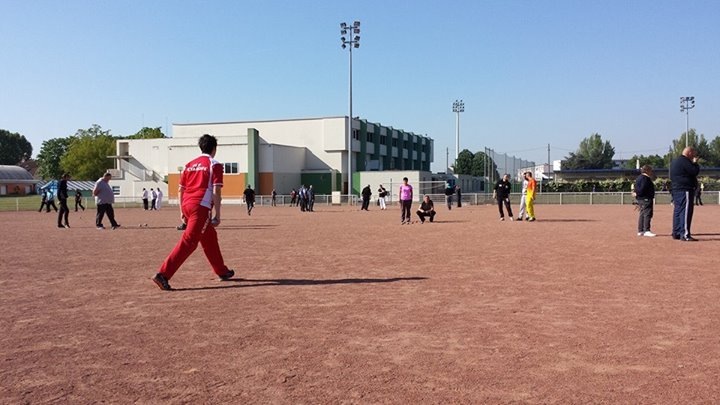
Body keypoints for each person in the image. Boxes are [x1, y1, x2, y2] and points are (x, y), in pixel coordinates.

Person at [152, 134, 235, 291]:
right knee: (189, 242)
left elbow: (180, 189)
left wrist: (181, 211)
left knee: (209, 237)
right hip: (200, 207)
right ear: (214, 148)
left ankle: (221, 270)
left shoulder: (189, 165)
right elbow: (216, 190)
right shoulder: (215, 164)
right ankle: (163, 274)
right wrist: (218, 215)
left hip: (187, 205)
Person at [670, 146, 700, 241]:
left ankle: (676, 232)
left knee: (678, 211)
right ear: (689, 152)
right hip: (685, 189)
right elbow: (694, 171)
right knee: (686, 211)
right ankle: (685, 234)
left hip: (676, 189)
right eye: (693, 154)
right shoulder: (685, 161)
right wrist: (695, 163)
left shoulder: (675, 161)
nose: (694, 156)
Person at [634, 165, 656, 237]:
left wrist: (637, 194)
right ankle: (647, 230)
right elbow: (642, 188)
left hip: (641, 199)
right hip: (646, 198)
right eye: (650, 170)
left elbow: (636, 188)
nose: (651, 172)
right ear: (647, 170)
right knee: (647, 214)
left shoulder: (639, 178)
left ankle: (640, 230)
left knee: (642, 214)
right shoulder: (645, 178)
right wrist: (639, 194)